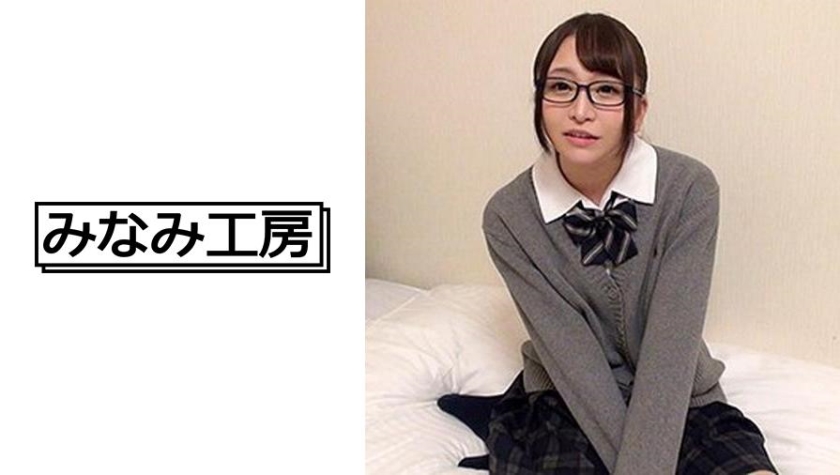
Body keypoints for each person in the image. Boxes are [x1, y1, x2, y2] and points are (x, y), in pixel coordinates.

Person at [438, 12, 777, 474]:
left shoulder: (689, 189)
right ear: (539, 100)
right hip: (569, 397)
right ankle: (510, 420)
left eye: (606, 90)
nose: (581, 111)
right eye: (561, 87)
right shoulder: (508, 216)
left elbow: (671, 348)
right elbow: (575, 362)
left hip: (679, 394)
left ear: (639, 109)